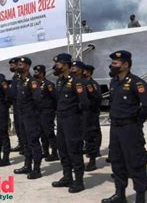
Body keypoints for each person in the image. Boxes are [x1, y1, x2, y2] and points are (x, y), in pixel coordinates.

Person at [102, 50, 147, 203]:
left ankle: (140, 197)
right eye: (112, 63)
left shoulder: (137, 83)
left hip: (130, 129)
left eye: (115, 63)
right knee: (117, 161)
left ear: (125, 64)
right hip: (115, 128)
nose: (112, 66)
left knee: (136, 162)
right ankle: (120, 195)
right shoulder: (114, 82)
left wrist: (137, 121)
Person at [51, 53, 89, 193]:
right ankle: (67, 177)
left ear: (66, 65)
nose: (55, 66)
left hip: (72, 120)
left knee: (74, 150)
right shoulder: (60, 81)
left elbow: (84, 103)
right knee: (63, 149)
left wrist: (74, 115)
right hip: (61, 119)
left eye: (58, 64)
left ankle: (79, 181)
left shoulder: (76, 82)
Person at [14, 57, 43, 179]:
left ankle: (36, 169)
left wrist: (33, 114)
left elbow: (38, 99)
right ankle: (27, 165)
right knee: (25, 142)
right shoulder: (20, 81)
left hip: (30, 116)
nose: (18, 66)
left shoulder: (32, 82)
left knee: (33, 142)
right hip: (21, 115)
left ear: (27, 66)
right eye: (18, 64)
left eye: (21, 65)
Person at [32, 65, 59, 162]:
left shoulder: (49, 84)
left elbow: (54, 98)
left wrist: (53, 109)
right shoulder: (34, 84)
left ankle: (55, 153)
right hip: (38, 111)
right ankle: (45, 151)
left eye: (37, 72)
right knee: (42, 133)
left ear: (42, 73)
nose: (35, 74)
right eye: (34, 72)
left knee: (49, 132)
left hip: (47, 111)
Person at [82, 64, 103, 171]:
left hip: (90, 113)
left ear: (89, 73)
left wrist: (90, 108)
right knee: (84, 135)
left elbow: (97, 98)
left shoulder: (92, 84)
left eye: (84, 71)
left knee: (91, 134)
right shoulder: (80, 83)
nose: (82, 73)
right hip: (82, 113)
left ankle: (92, 159)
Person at [7, 57, 24, 154]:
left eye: (13, 65)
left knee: (22, 126)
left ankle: (25, 145)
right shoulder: (14, 76)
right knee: (17, 125)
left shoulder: (22, 77)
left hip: (22, 104)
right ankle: (21, 143)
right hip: (15, 104)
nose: (11, 66)